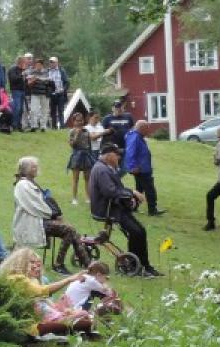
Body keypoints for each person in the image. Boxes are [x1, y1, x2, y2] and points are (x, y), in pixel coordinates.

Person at [88, 142, 160, 277]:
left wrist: (129, 198)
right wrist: (132, 193)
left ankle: (144, 265)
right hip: (108, 210)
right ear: (109, 156)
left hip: (115, 207)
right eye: (117, 155)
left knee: (140, 231)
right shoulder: (102, 170)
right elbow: (111, 192)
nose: (119, 158)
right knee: (137, 232)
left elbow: (116, 190)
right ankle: (136, 266)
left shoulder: (104, 168)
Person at [12, 156, 90, 272]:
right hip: (32, 222)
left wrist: (55, 214)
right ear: (25, 169)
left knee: (71, 230)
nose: (36, 168)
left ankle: (87, 263)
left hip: (40, 220)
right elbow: (35, 206)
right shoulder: (23, 185)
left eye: (36, 166)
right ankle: (60, 265)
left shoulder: (29, 183)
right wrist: (53, 214)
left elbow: (43, 202)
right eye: (33, 166)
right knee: (70, 230)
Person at [123, 119, 162, 215]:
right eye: (147, 129)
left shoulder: (136, 136)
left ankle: (133, 207)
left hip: (141, 167)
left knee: (139, 189)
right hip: (140, 169)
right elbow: (130, 152)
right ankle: (152, 210)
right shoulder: (135, 137)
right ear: (141, 128)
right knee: (150, 189)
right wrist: (133, 166)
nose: (148, 131)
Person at [66, 113, 94, 204]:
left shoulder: (86, 131)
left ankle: (88, 197)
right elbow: (72, 145)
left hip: (86, 155)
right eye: (77, 120)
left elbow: (89, 144)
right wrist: (77, 134)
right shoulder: (71, 131)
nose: (80, 122)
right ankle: (74, 198)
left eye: (81, 120)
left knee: (87, 178)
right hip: (76, 155)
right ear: (73, 121)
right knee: (75, 178)